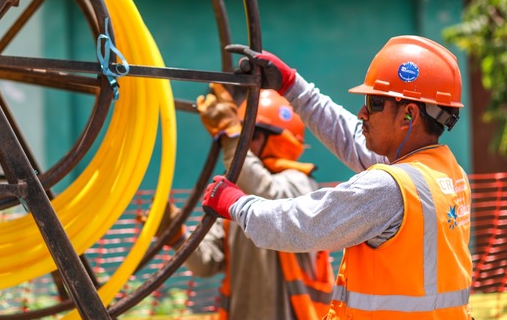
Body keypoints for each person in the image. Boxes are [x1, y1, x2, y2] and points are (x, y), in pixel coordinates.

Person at [202, 35, 473, 319]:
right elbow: (349, 136)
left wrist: (236, 203)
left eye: (374, 102)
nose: (362, 113)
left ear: (408, 115)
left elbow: (303, 226)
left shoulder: (389, 189)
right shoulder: (446, 174)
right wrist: (291, 86)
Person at [159, 85, 334, 320]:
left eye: (253, 135)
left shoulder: (299, 184)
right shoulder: (237, 196)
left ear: (278, 139)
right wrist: (176, 235)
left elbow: (268, 197)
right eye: (244, 134)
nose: (246, 143)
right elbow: (206, 264)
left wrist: (233, 137)